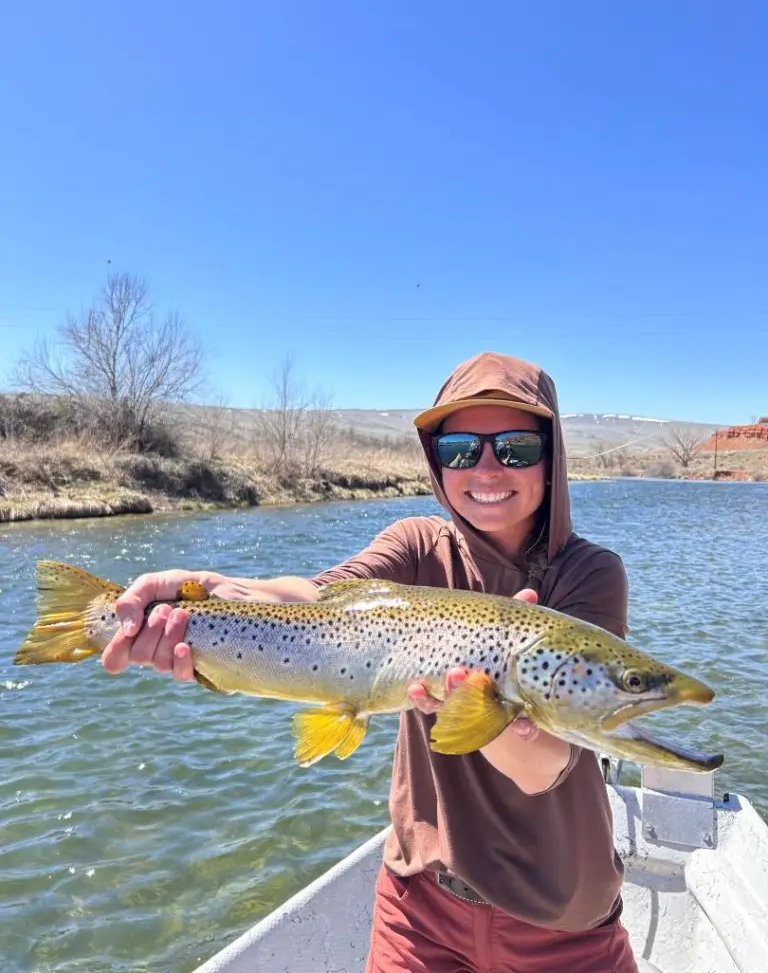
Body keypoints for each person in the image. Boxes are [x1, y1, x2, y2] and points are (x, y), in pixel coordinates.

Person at [102, 351, 640, 973]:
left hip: (562, 923)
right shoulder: (415, 544)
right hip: (421, 912)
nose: (487, 467)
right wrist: (221, 588)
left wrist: (483, 681)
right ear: (437, 461)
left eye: (516, 448)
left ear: (553, 456)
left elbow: (544, 766)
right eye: (461, 449)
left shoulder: (590, 574)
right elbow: (319, 600)